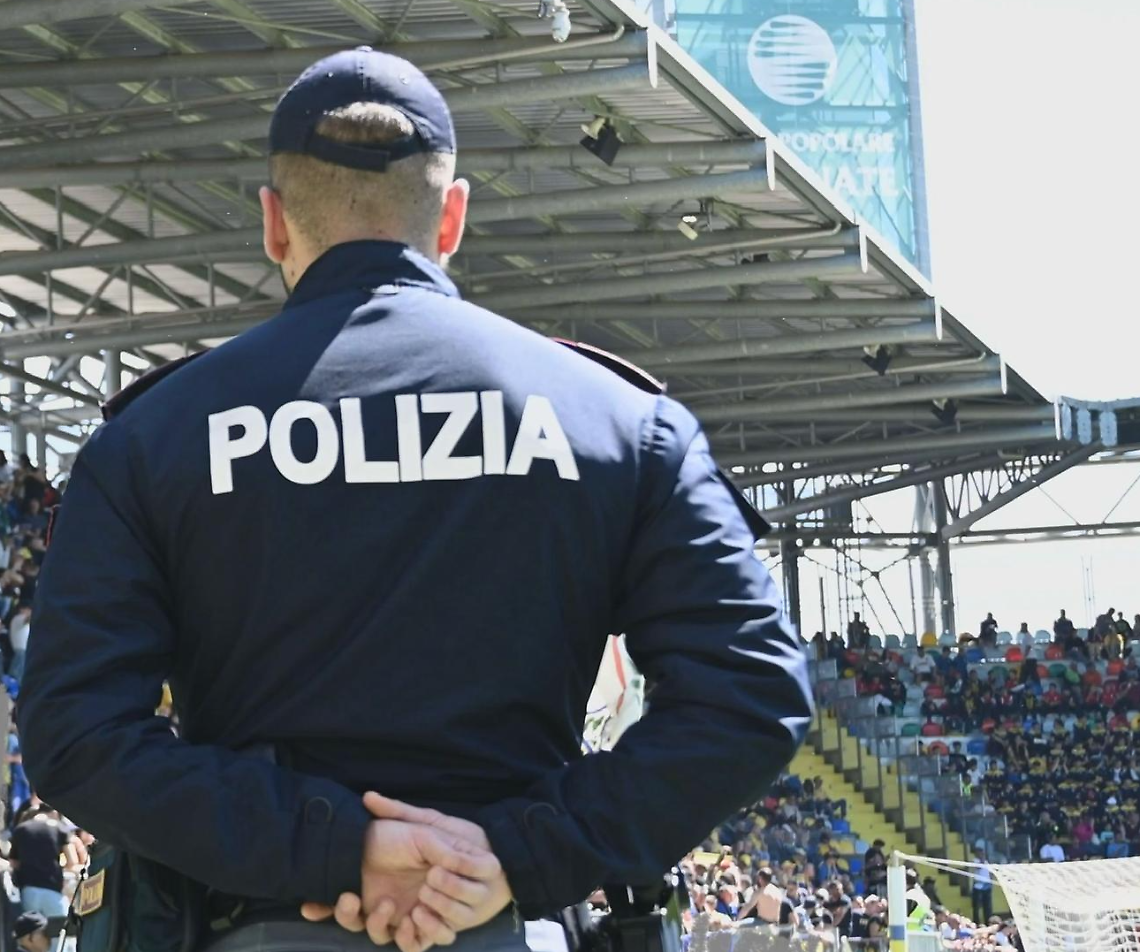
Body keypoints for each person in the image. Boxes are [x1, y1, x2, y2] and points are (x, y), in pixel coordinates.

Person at [19, 47, 814, 952]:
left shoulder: (153, 437)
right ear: (453, 220)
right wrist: (519, 853)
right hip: (510, 923)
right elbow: (751, 695)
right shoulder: (623, 422)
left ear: (274, 224)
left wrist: (335, 847)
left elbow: (76, 734)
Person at [971, 847, 993, 925]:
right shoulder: (975, 861)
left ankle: (988, 922)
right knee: (976, 907)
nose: (982, 854)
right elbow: (978, 867)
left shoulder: (986, 862)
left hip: (987, 886)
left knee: (987, 906)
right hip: (978, 886)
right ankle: (977, 922)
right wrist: (982, 859)